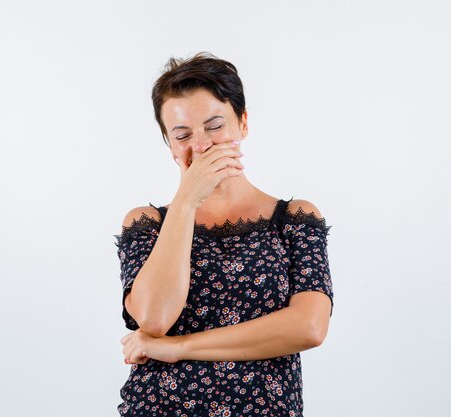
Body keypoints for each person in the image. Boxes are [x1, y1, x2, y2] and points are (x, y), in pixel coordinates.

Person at [114, 52, 334, 417]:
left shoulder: (295, 218)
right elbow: (153, 319)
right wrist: (186, 203)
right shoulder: (146, 224)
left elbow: (309, 327)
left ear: (242, 124)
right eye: (183, 134)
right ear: (169, 144)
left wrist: (179, 347)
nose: (201, 145)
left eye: (215, 126)